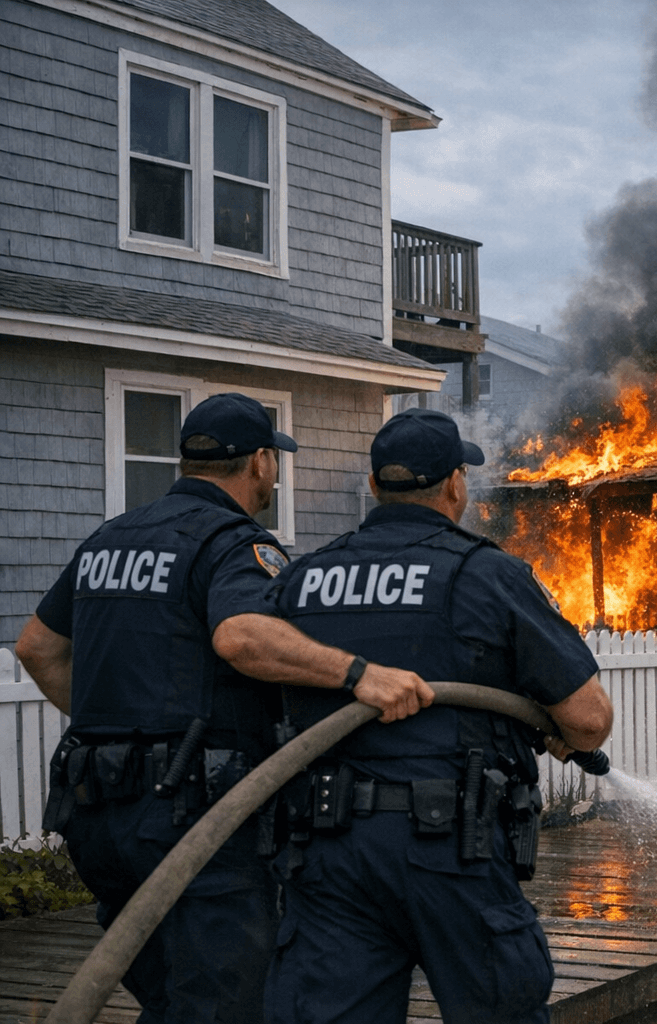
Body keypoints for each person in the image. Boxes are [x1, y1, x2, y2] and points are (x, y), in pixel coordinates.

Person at [15, 392, 432, 1024]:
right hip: (191, 819)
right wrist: (360, 675)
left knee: (169, 994)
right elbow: (240, 636)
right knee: (227, 1001)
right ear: (261, 462)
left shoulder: (109, 538)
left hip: (96, 815)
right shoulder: (234, 542)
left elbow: (38, 648)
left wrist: (116, 734)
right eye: (274, 461)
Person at [256, 407, 613, 1024]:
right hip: (452, 852)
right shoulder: (487, 574)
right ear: (455, 484)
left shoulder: (303, 578)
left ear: (373, 487)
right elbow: (587, 719)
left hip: (329, 851)